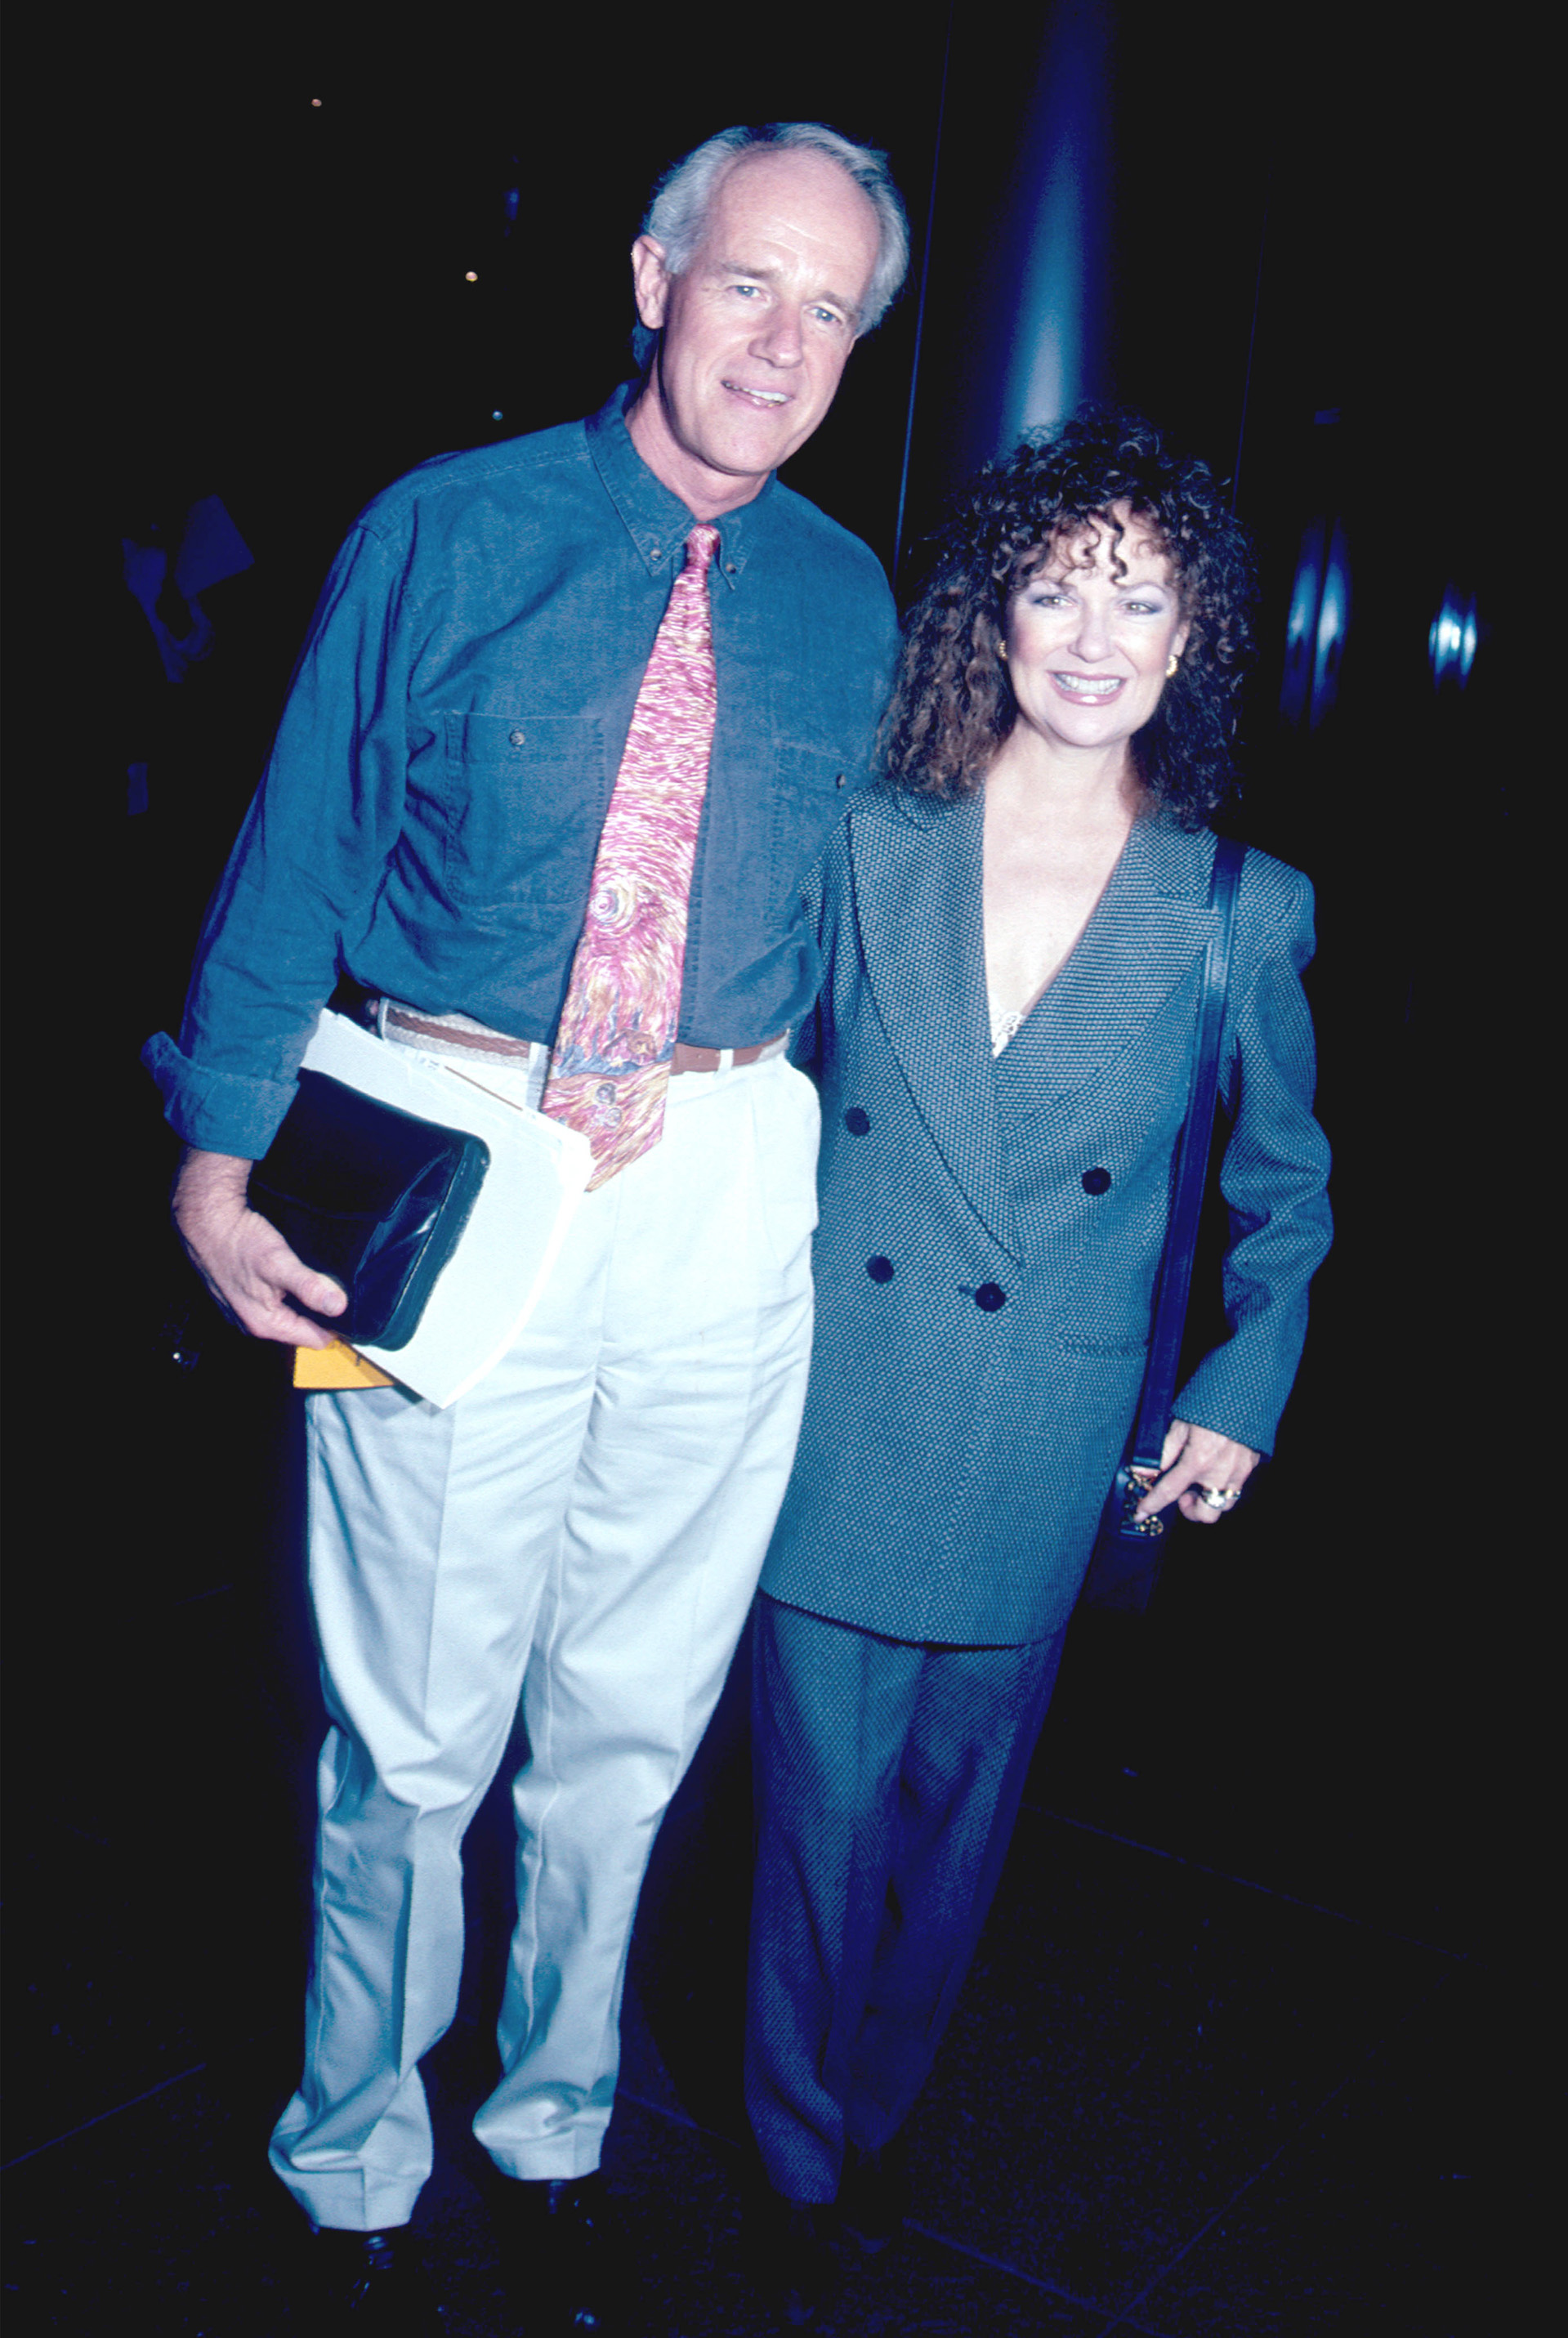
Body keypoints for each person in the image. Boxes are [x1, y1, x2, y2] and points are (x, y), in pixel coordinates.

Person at [141, 120, 909, 2332]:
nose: (779, 343)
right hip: (454, 1144)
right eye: (748, 283)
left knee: (639, 1710)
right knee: (409, 1727)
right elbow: (295, 840)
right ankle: (354, 2144)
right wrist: (218, 1148)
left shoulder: (855, 594)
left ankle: (555, 2114)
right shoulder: (444, 526)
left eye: (831, 310)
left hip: (730, 1165)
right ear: (655, 271)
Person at [744, 408, 1333, 2322]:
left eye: (1139, 596)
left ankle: (881, 2104)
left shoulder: (1238, 908)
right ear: (991, 611)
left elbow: (1285, 1200)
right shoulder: (862, 833)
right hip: (844, 1388)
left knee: (953, 1824)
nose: (1091, 633)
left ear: (1191, 644)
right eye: (1056, 583)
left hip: (1040, 1421)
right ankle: (787, 2142)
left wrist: (1239, 1390)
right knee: (810, 1819)